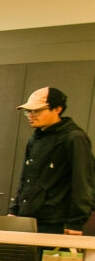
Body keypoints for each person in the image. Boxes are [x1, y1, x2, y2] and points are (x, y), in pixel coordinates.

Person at [10, 87, 95, 234]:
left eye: (37, 111)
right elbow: (25, 179)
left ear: (57, 109)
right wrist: (15, 209)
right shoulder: (34, 139)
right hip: (27, 219)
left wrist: (75, 223)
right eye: (29, 111)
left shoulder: (74, 138)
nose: (31, 115)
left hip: (55, 223)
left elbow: (84, 183)